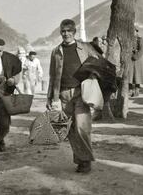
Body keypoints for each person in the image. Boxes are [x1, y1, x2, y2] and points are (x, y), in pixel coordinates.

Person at [47, 19, 100, 173]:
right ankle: (81, 160)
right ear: (60, 32)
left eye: (69, 31)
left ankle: (86, 160)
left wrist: (93, 78)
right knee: (70, 129)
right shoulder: (56, 52)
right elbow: (52, 75)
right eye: (63, 31)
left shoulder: (85, 47)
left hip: (81, 93)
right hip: (63, 95)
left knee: (82, 128)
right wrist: (50, 97)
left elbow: (98, 65)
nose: (66, 34)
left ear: (74, 32)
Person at [128, 27, 143, 96]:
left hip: (138, 60)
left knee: (137, 75)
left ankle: (137, 90)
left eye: (134, 31)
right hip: (130, 59)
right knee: (130, 75)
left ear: (136, 31)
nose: (133, 32)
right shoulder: (128, 39)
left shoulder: (140, 39)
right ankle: (130, 90)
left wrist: (135, 56)